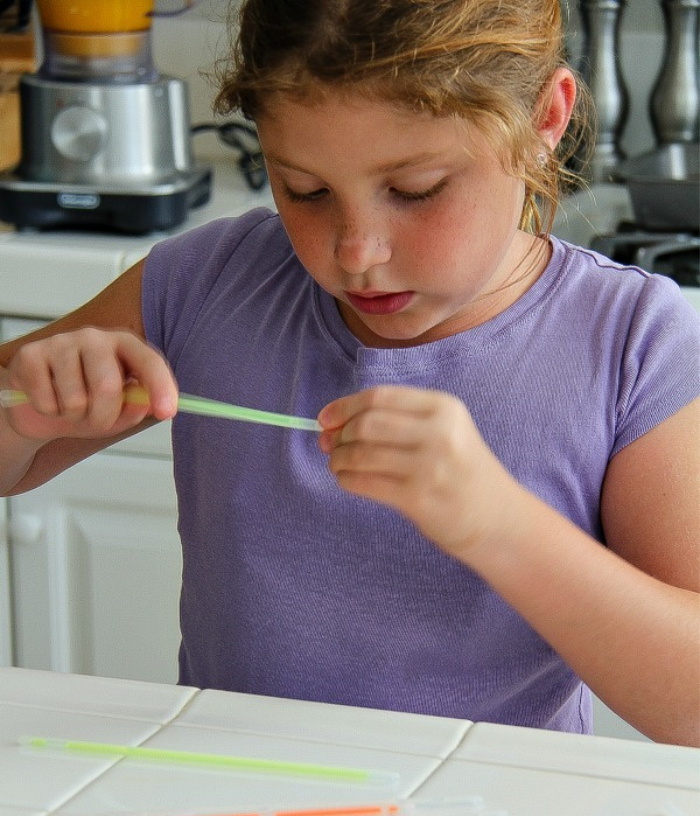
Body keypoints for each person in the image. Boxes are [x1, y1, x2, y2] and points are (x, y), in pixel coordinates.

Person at [0, 0, 698, 744]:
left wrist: (500, 524)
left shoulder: (629, 344)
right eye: (305, 190)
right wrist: (23, 412)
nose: (357, 250)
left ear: (544, 121)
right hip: (233, 811)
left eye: (416, 188)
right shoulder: (208, 283)